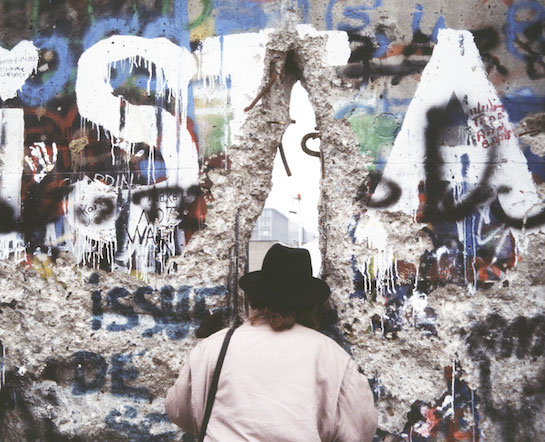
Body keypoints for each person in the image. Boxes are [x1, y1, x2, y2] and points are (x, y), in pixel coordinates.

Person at [166, 243, 378, 441]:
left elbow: (178, 409)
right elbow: (361, 428)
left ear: (254, 299)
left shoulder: (215, 347)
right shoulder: (333, 358)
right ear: (311, 305)